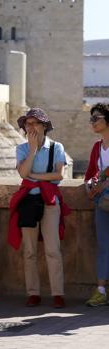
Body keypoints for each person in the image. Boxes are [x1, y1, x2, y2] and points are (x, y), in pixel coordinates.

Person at [8, 108, 69, 308]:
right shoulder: (22, 149)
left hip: (50, 202)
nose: (31, 127)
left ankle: (58, 293)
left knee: (53, 250)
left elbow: (58, 175)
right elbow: (23, 173)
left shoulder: (56, 147)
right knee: (30, 251)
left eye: (35, 123)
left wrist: (35, 177)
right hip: (28, 203)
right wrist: (33, 150)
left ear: (44, 126)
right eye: (28, 123)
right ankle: (33, 292)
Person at [84, 103, 109, 306]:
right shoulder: (96, 148)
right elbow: (90, 172)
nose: (92, 122)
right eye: (91, 119)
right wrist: (90, 184)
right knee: (103, 245)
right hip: (102, 203)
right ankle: (100, 290)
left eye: (96, 118)